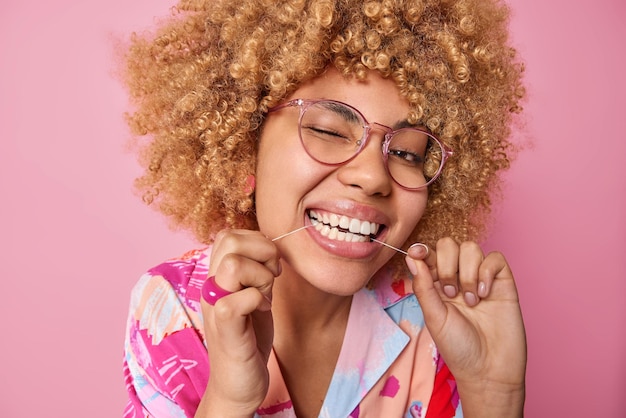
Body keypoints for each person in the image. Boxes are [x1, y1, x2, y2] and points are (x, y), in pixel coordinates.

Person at [120, 0, 527, 416]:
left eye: (407, 153)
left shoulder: (442, 324)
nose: (372, 177)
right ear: (247, 144)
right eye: (327, 130)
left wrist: (495, 395)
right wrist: (229, 399)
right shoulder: (171, 313)